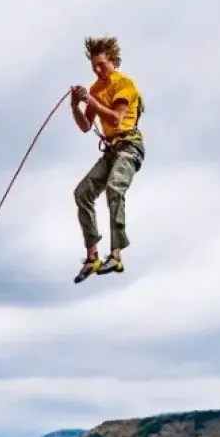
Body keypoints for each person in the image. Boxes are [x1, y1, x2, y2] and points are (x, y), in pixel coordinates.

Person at [70, 36, 145, 283]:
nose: (97, 70)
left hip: (130, 146)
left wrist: (91, 101)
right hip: (112, 151)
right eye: (94, 66)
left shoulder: (125, 85)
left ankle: (116, 255)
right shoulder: (95, 90)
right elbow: (85, 126)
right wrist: (75, 106)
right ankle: (92, 258)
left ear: (112, 61)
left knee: (114, 188)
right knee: (82, 192)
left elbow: (115, 118)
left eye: (101, 64)